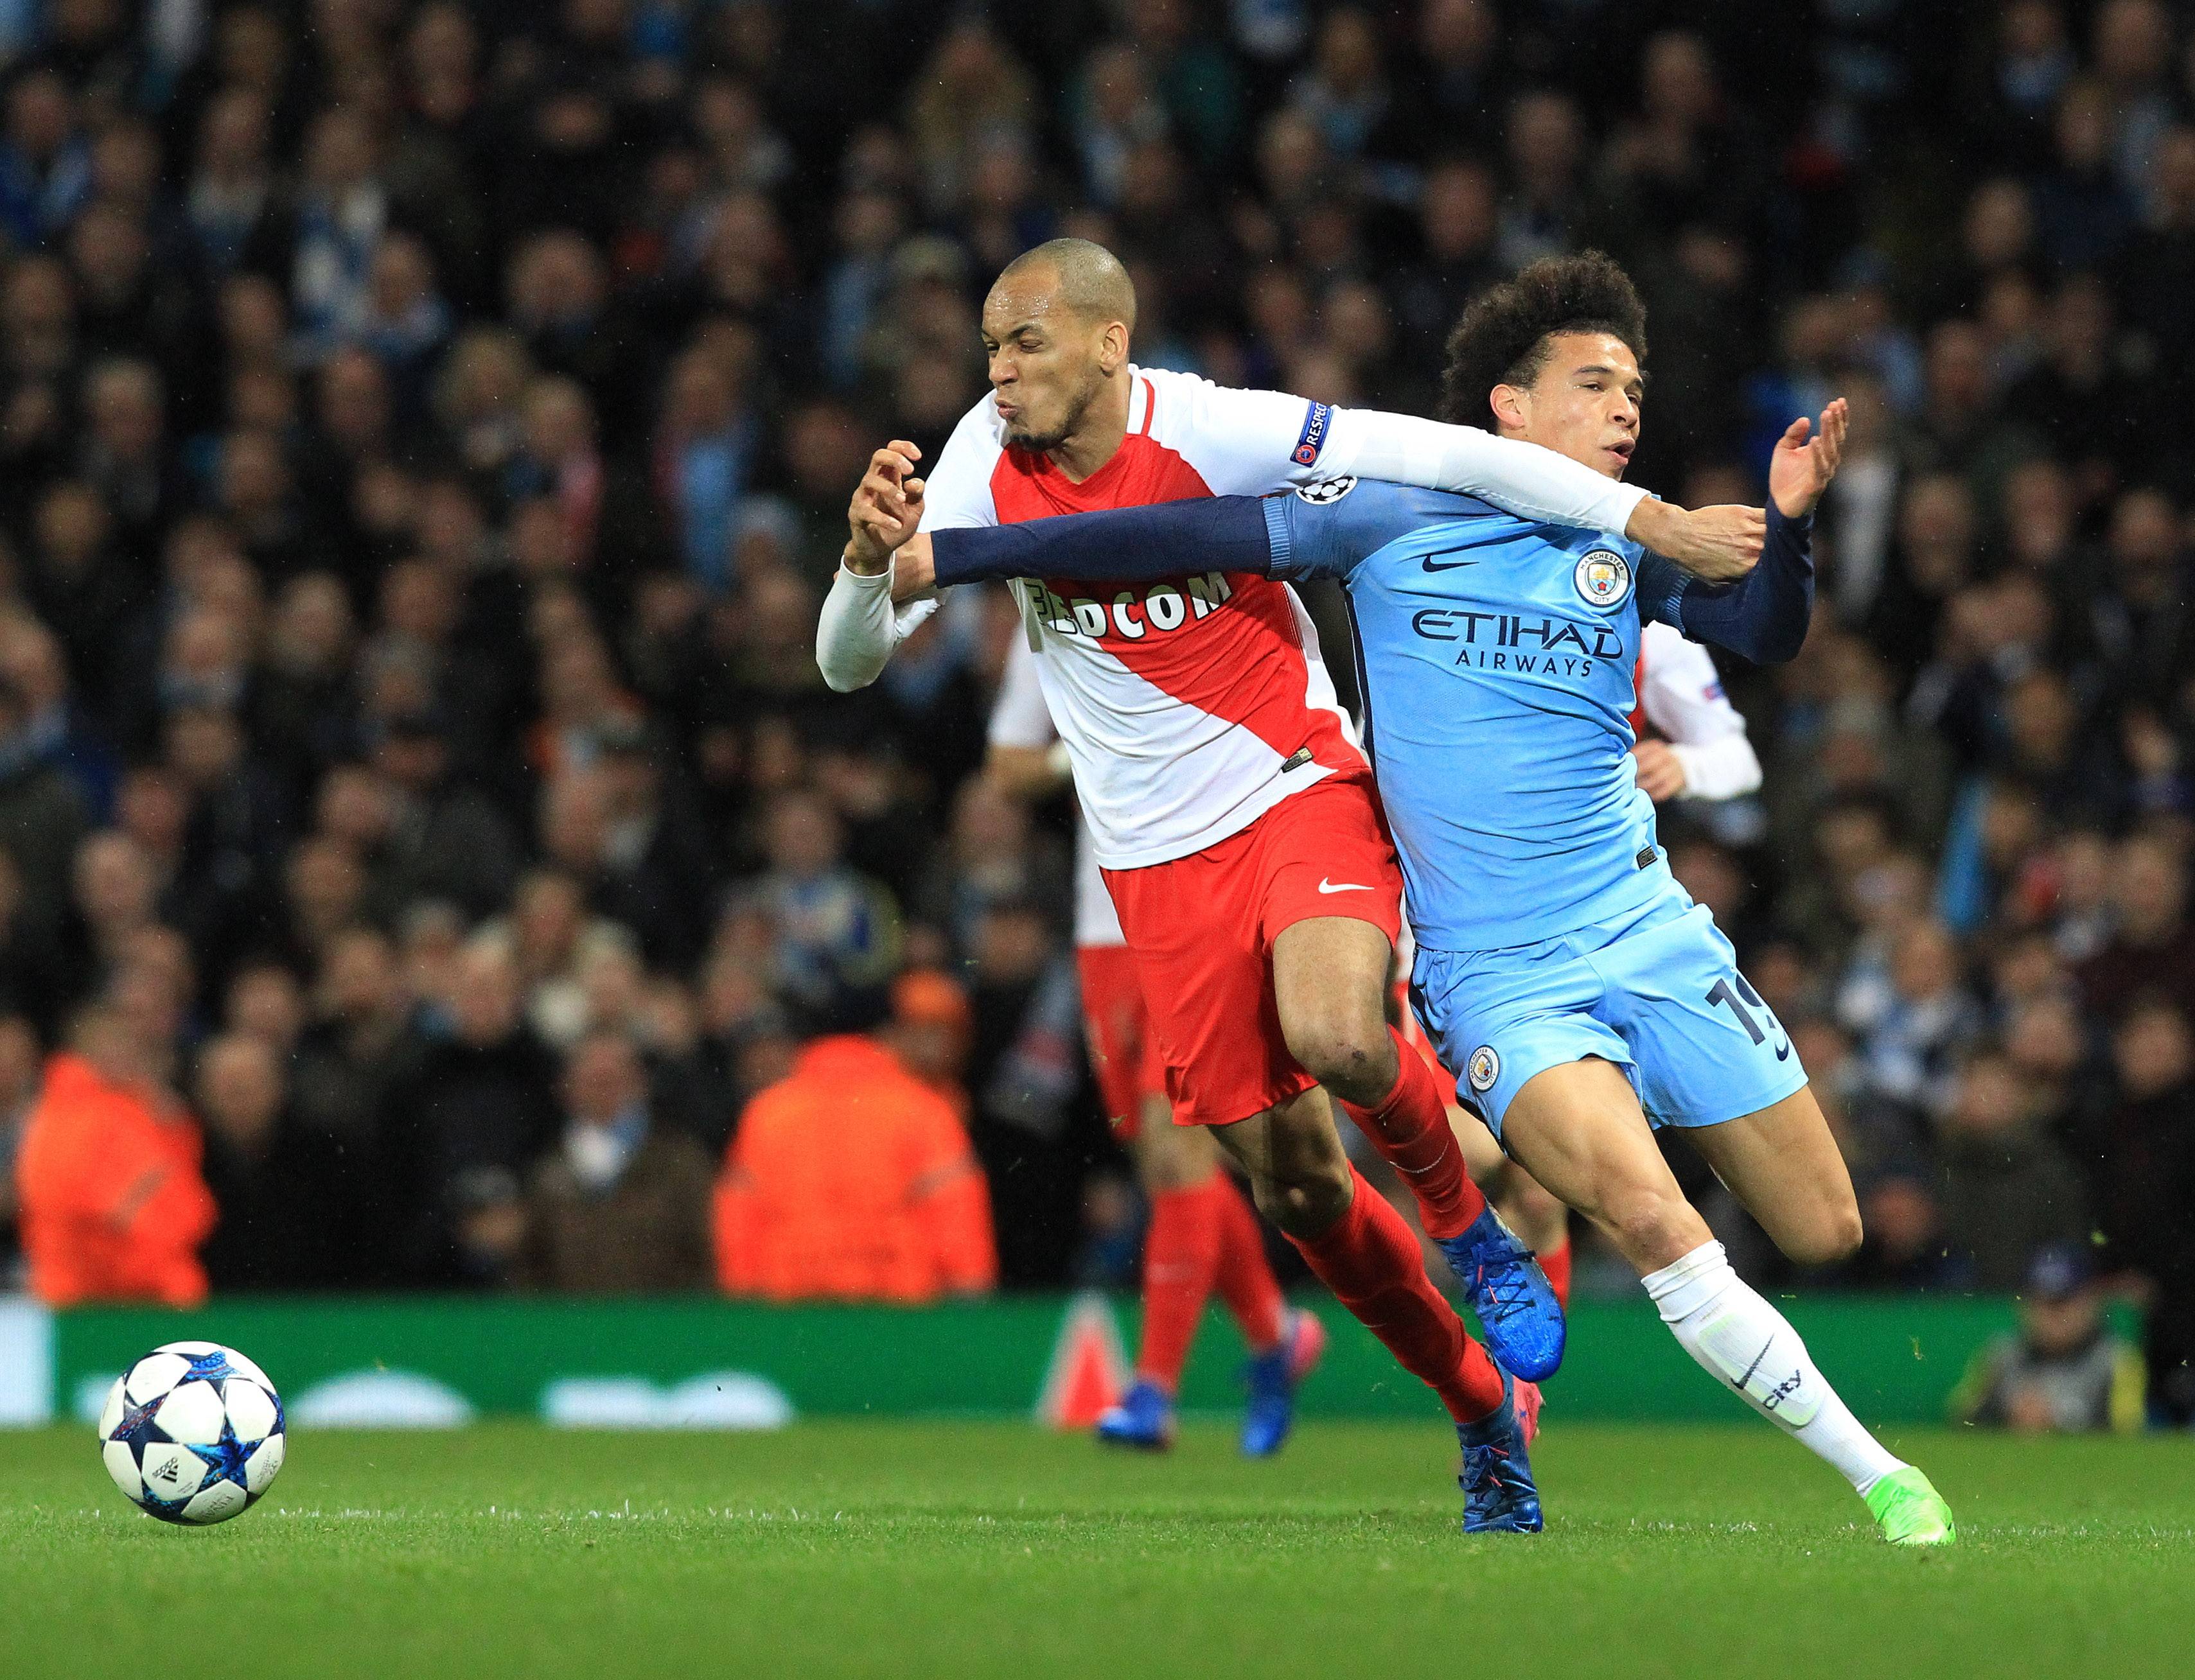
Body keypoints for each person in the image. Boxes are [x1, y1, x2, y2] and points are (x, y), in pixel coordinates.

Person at [884, 250, 1956, 1546]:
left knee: (1823, 1228)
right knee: (1623, 1207)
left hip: (1648, 929)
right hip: (1493, 968)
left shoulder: (1622, 549)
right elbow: (1182, 533)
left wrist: (1787, 528)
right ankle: (1871, 1476)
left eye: (1633, 389)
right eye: (1594, 384)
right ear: (1508, 408)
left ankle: (1505, 1237)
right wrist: (956, 556)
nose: (1625, 408)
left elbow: (1763, 634)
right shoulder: (1388, 516)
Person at [987, 631, 1318, 1455]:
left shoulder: (1193, 609)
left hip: (1198, 904)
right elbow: (1008, 766)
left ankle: (1152, 1392)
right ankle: (1276, 1334)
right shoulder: (1044, 621)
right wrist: (1088, 748)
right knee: (1167, 1164)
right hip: (1103, 925)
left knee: (1177, 1152)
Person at [714, 1010, 997, 1302]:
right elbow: (954, 1208)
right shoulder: (922, 1109)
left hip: (792, 1301)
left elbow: (741, 1213)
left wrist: (742, 1294)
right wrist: (970, 1290)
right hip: (899, 1300)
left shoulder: (767, 1114)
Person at [14, 999, 215, 1307]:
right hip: (89, 1295)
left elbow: (181, 1187)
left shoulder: (142, 1108)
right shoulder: (68, 1113)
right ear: (82, 1050)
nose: (124, 1053)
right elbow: (80, 1204)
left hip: (147, 1288)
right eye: (112, 1042)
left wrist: (174, 1127)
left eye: (130, 1044)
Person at [1949, 1245, 2146, 1432]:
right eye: (2043, 1301)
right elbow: (1960, 1417)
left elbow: (2127, 1431)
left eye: (2064, 1301)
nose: (2054, 1315)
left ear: (2090, 1300)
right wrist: (2008, 1415)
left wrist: (2059, 1420)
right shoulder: (2001, 1356)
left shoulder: (2115, 1359)